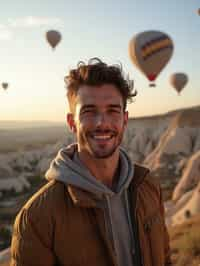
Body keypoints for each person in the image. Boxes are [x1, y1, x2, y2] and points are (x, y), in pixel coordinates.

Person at [11, 58, 171, 266]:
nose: (102, 123)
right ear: (72, 123)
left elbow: (165, 259)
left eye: (112, 111)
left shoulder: (148, 187)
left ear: (125, 119)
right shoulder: (38, 216)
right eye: (89, 111)